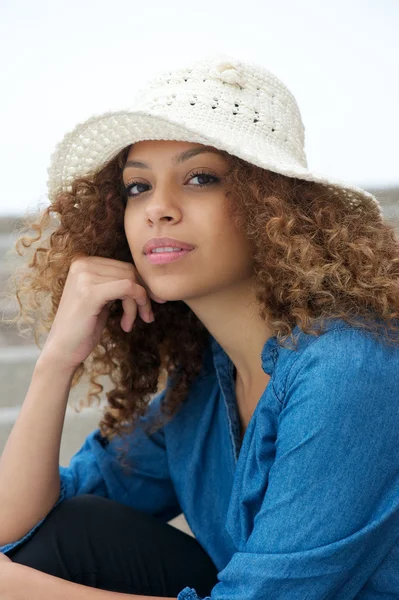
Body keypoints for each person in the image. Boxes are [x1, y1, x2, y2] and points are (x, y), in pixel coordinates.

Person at [0, 53, 398, 600]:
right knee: (60, 536)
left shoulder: (350, 369)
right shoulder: (204, 381)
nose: (157, 209)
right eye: (137, 187)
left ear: (274, 207)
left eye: (200, 178)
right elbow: (22, 524)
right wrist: (56, 363)